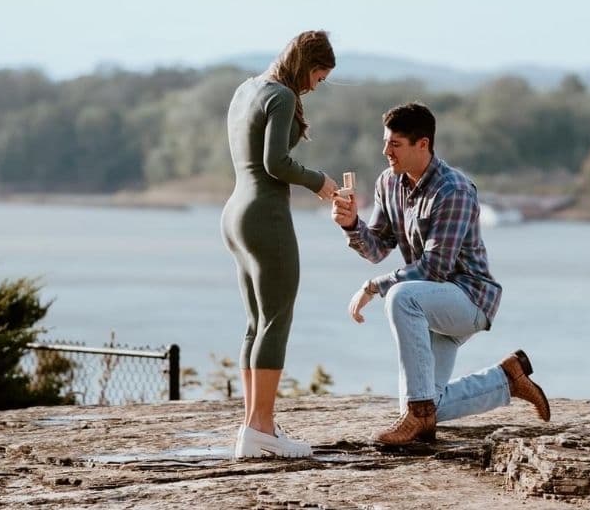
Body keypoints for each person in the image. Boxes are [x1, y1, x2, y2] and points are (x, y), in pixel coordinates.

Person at [331, 102, 550, 445]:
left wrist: (374, 287)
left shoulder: (454, 190)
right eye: (386, 142)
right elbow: (376, 249)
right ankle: (507, 378)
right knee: (425, 403)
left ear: (424, 144)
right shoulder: (388, 183)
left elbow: (435, 268)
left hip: (469, 298)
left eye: (395, 144)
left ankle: (418, 417)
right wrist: (351, 225)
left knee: (401, 298)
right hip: (429, 303)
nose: (386, 151)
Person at [221, 30, 340, 458]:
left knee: (256, 323)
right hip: (264, 215)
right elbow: (275, 163)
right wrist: (319, 183)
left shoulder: (246, 89)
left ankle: (253, 427)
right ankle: (263, 430)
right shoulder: (282, 96)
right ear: (308, 65)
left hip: (235, 212)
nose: (314, 86)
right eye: (318, 77)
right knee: (276, 320)